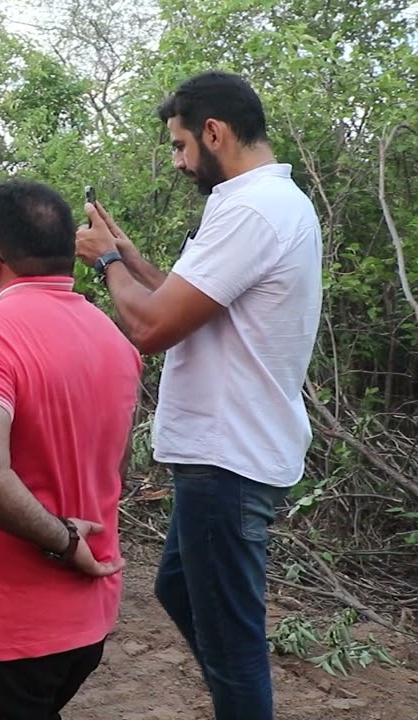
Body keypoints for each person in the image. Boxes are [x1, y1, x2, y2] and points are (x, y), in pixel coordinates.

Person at [75, 71, 323, 720]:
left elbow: (152, 325)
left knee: (233, 645)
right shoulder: (263, 203)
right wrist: (127, 252)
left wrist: (106, 264)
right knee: (181, 589)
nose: (181, 162)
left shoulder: (251, 209)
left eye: (182, 145)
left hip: (228, 458)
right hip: (224, 454)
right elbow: (184, 300)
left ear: (214, 132)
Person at [0, 179, 139, 719]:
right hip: (85, 623)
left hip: (6, 626)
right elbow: (114, 463)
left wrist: (60, 537)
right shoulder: (116, 339)